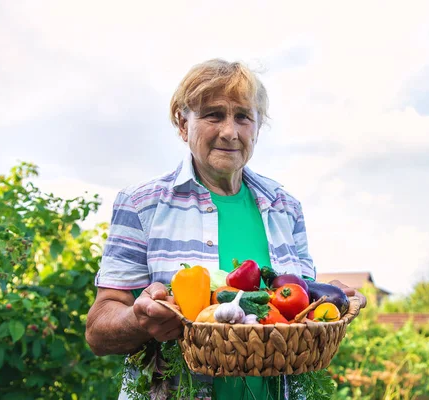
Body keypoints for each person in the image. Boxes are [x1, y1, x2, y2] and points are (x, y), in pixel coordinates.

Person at [85, 59, 367, 399]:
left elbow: (300, 308)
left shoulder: (285, 207)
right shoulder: (142, 204)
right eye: (213, 115)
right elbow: (98, 331)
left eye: (243, 116)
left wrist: (331, 299)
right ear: (182, 123)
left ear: (258, 127)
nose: (230, 131)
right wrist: (138, 319)